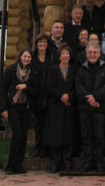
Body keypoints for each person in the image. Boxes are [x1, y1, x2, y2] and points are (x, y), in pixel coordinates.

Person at [75, 43, 105, 172]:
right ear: (86, 54)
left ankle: (99, 162)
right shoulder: (81, 69)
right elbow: (78, 87)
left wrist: (95, 97)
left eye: (94, 52)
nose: (92, 55)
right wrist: (89, 99)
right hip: (84, 108)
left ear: (99, 53)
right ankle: (87, 161)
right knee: (86, 136)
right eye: (89, 52)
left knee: (99, 136)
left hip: (99, 107)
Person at [0, 49, 34, 175]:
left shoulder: (32, 72)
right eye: (25, 56)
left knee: (23, 136)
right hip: (13, 106)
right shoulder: (11, 71)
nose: (27, 59)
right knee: (17, 135)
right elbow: (2, 90)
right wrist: (2, 108)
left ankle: (18, 165)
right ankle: (10, 165)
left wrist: (26, 87)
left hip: (25, 106)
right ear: (20, 57)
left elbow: (35, 88)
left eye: (29, 57)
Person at [45, 44, 77, 173]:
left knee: (68, 133)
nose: (65, 56)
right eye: (63, 54)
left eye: (67, 54)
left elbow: (77, 86)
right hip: (56, 106)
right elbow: (49, 87)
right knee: (56, 134)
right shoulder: (53, 70)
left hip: (69, 106)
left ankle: (67, 161)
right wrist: (60, 96)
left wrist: (69, 96)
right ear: (59, 56)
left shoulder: (74, 70)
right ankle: (55, 161)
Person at [30, 34, 53, 157]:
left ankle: (47, 148)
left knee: (48, 123)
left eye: (44, 43)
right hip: (37, 94)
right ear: (37, 45)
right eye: (40, 43)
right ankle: (38, 147)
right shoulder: (33, 59)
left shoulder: (51, 58)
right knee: (38, 123)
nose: (42, 45)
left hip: (49, 94)